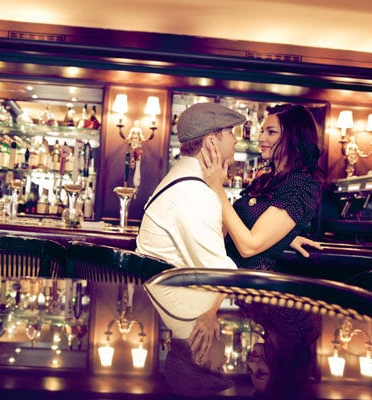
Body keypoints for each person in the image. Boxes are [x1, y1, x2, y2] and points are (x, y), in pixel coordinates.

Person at [138, 102, 246, 392]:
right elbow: (224, 274)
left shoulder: (186, 184)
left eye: (219, 366)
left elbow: (213, 251)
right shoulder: (193, 193)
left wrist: (216, 190)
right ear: (212, 141)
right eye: (231, 133)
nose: (236, 140)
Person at [200, 103, 324, 271]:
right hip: (227, 271)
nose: (261, 138)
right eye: (262, 131)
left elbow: (249, 247)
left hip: (249, 286)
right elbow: (244, 228)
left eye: (271, 132)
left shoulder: (301, 184)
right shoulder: (266, 179)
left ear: (294, 137)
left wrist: (218, 188)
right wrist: (284, 239)